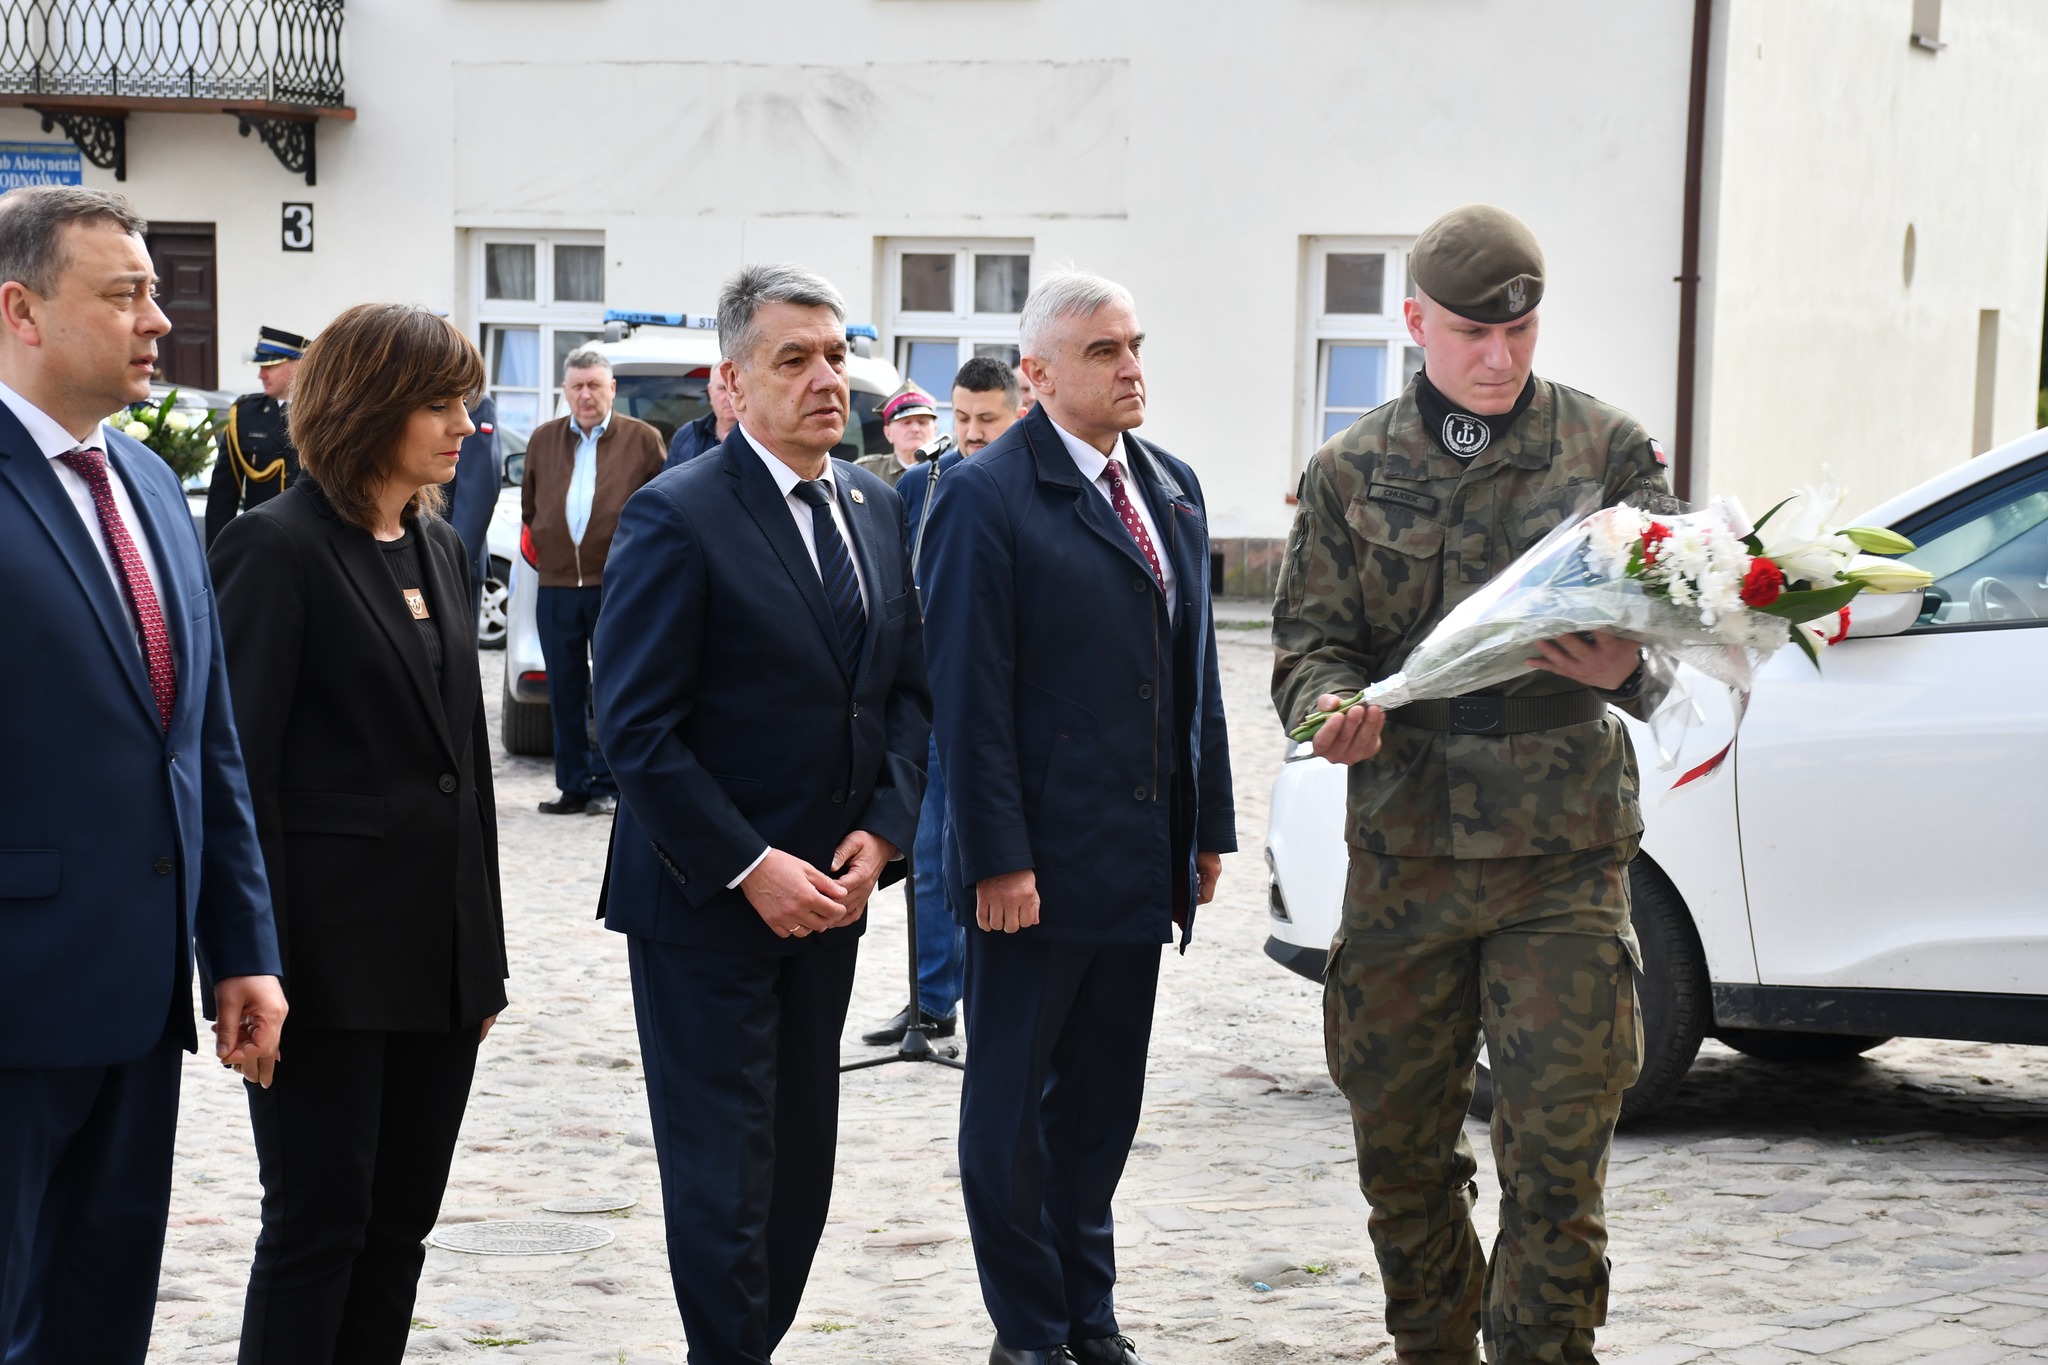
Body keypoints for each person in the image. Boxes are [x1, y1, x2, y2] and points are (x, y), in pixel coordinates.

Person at [1270, 204, 1671, 1365]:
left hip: (1561, 858)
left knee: (1556, 1163)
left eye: (1518, 331)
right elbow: (1308, 647)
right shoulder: (1348, 470)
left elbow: (1672, 635)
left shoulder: (1606, 451)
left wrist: (1623, 667)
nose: (1497, 358)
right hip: (1406, 857)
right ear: (1413, 323)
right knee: (1399, 1158)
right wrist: (1327, 714)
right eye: (1469, 334)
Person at [593, 263, 929, 1364]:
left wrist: (886, 828)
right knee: (724, 1175)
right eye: (795, 359)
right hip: (707, 906)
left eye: (836, 355)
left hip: (830, 902)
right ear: (731, 383)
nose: (828, 379)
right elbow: (634, 727)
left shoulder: (875, 506)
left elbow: (905, 694)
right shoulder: (677, 513)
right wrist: (749, 863)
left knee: (796, 1174)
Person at [921, 274, 1235, 1365]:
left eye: (1135, 343)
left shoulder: (1170, 485)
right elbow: (967, 696)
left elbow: (1194, 676)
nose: (1132, 366)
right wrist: (997, 858)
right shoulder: (986, 495)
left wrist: (1204, 827)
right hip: (1035, 868)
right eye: (1104, 351)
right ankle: (1028, 1331)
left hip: (1134, 857)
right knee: (1011, 1114)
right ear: (1039, 375)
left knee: (1101, 1108)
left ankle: (1086, 1316)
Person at [0, 185, 284, 1361]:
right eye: (124, 295)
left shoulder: (153, 485)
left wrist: (242, 945)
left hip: (138, 1000)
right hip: (14, 1000)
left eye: (156, 292)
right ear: (20, 310)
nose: (159, 321)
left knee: (102, 1317)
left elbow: (202, 740)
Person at [209, 303, 509, 1363]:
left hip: (436, 966)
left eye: (465, 402)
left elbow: (466, 771)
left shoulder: (441, 544)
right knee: (317, 1229)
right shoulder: (273, 547)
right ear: (369, 406)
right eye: (440, 403)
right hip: (324, 968)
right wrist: (247, 959)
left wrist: (481, 961)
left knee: (399, 1230)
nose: (464, 425)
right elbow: (238, 775)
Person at [861, 354, 1026, 1047]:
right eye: (961, 417)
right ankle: (932, 1000)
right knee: (928, 855)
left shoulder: (1033, 481)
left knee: (999, 854)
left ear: (1019, 411)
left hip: (1009, 705)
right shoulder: (923, 484)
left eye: (987, 418)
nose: (972, 432)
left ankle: (999, 1004)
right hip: (932, 697)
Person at [520, 346, 665, 815]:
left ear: (612, 389)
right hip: (557, 585)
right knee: (563, 688)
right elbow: (530, 507)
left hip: (616, 585)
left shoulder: (643, 439)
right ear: (565, 391)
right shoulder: (543, 439)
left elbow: (661, 511)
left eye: (595, 385)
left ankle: (608, 784)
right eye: (577, 386)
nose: (586, 395)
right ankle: (573, 786)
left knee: (614, 686)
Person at [204, 325, 308, 546]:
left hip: (313, 543)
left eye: (270, 366)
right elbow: (223, 495)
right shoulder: (245, 413)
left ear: (299, 364)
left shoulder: (325, 412)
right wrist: (219, 554)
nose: (261, 374)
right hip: (260, 543)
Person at [446, 393, 503, 638]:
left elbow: (479, 489)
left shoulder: (476, 404)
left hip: (450, 556)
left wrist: (454, 558)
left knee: (457, 649)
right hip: (424, 550)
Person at [855, 385, 936, 487]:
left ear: (935, 430)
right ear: (888, 433)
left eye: (922, 422)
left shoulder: (946, 471)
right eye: (906, 423)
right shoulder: (866, 471)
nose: (915, 429)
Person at [663, 362, 737, 467]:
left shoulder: (759, 437)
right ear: (710, 392)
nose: (729, 397)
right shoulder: (686, 435)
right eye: (722, 388)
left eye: (735, 388)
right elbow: (669, 477)